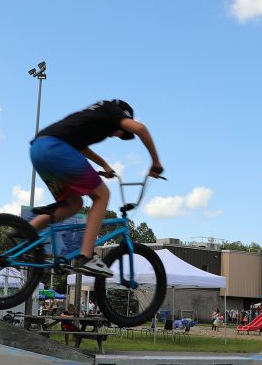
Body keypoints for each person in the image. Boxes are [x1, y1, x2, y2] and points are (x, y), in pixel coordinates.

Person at [27, 99, 163, 277]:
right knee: (102, 195)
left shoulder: (93, 117)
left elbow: (81, 148)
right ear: (123, 117)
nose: (118, 135)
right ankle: (86, 257)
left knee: (72, 203)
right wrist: (156, 161)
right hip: (57, 149)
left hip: (38, 150)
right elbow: (140, 129)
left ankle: (26, 232)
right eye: (122, 132)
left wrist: (105, 165)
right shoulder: (113, 111)